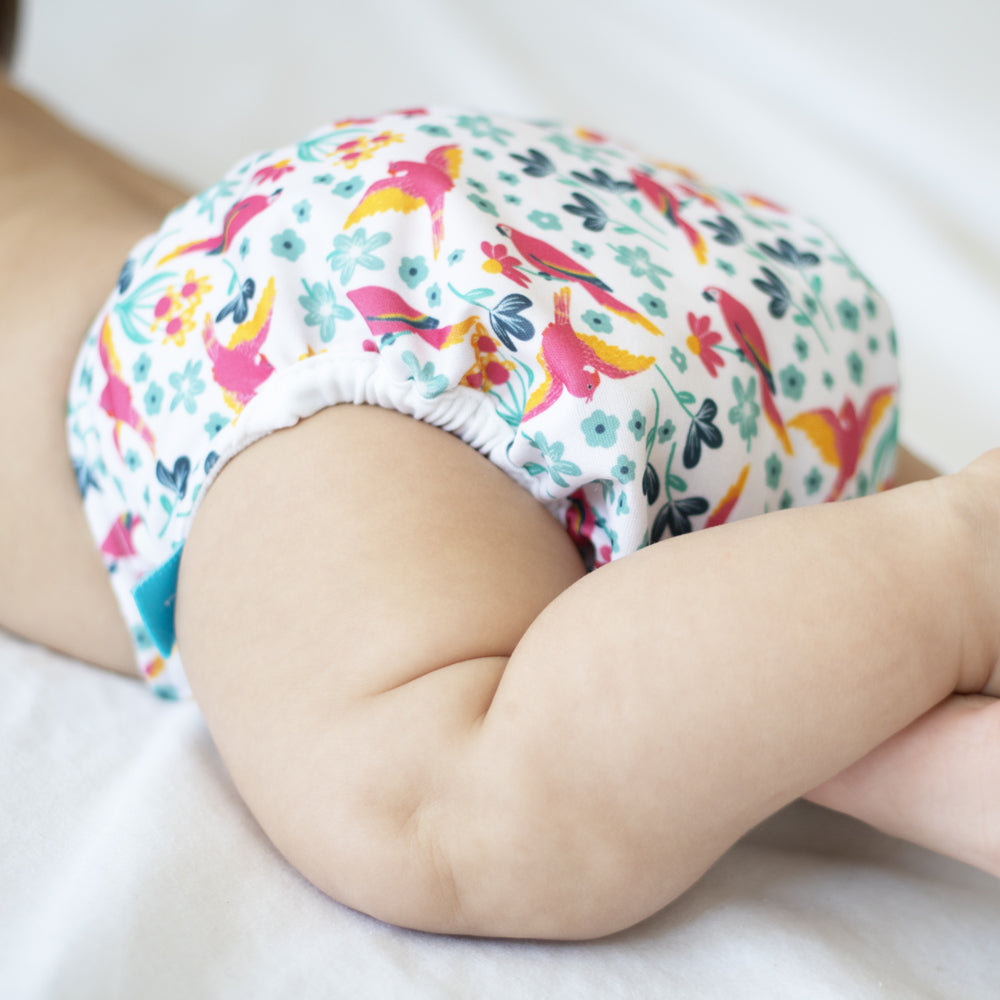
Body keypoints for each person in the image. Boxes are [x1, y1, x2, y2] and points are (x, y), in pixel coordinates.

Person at [1, 59, 998, 940]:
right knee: (791, 632)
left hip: (259, 341)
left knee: (441, 805)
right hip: (549, 221)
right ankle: (925, 707)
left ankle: (966, 551)